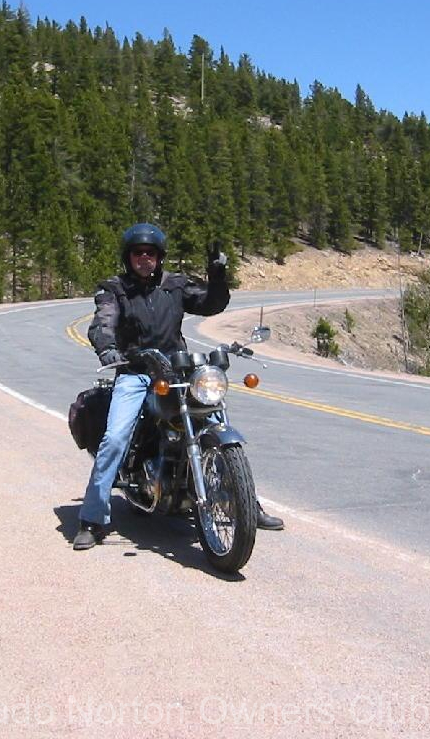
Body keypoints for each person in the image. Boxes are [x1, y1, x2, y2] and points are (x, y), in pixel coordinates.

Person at [74, 222, 284, 551]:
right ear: (128, 257)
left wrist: (217, 276)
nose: (145, 258)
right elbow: (103, 322)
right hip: (135, 372)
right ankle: (93, 519)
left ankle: (246, 504)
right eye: (138, 253)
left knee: (215, 420)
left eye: (151, 253)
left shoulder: (175, 285)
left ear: (160, 257)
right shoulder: (115, 289)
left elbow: (210, 304)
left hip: (174, 370)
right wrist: (109, 349)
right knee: (114, 438)